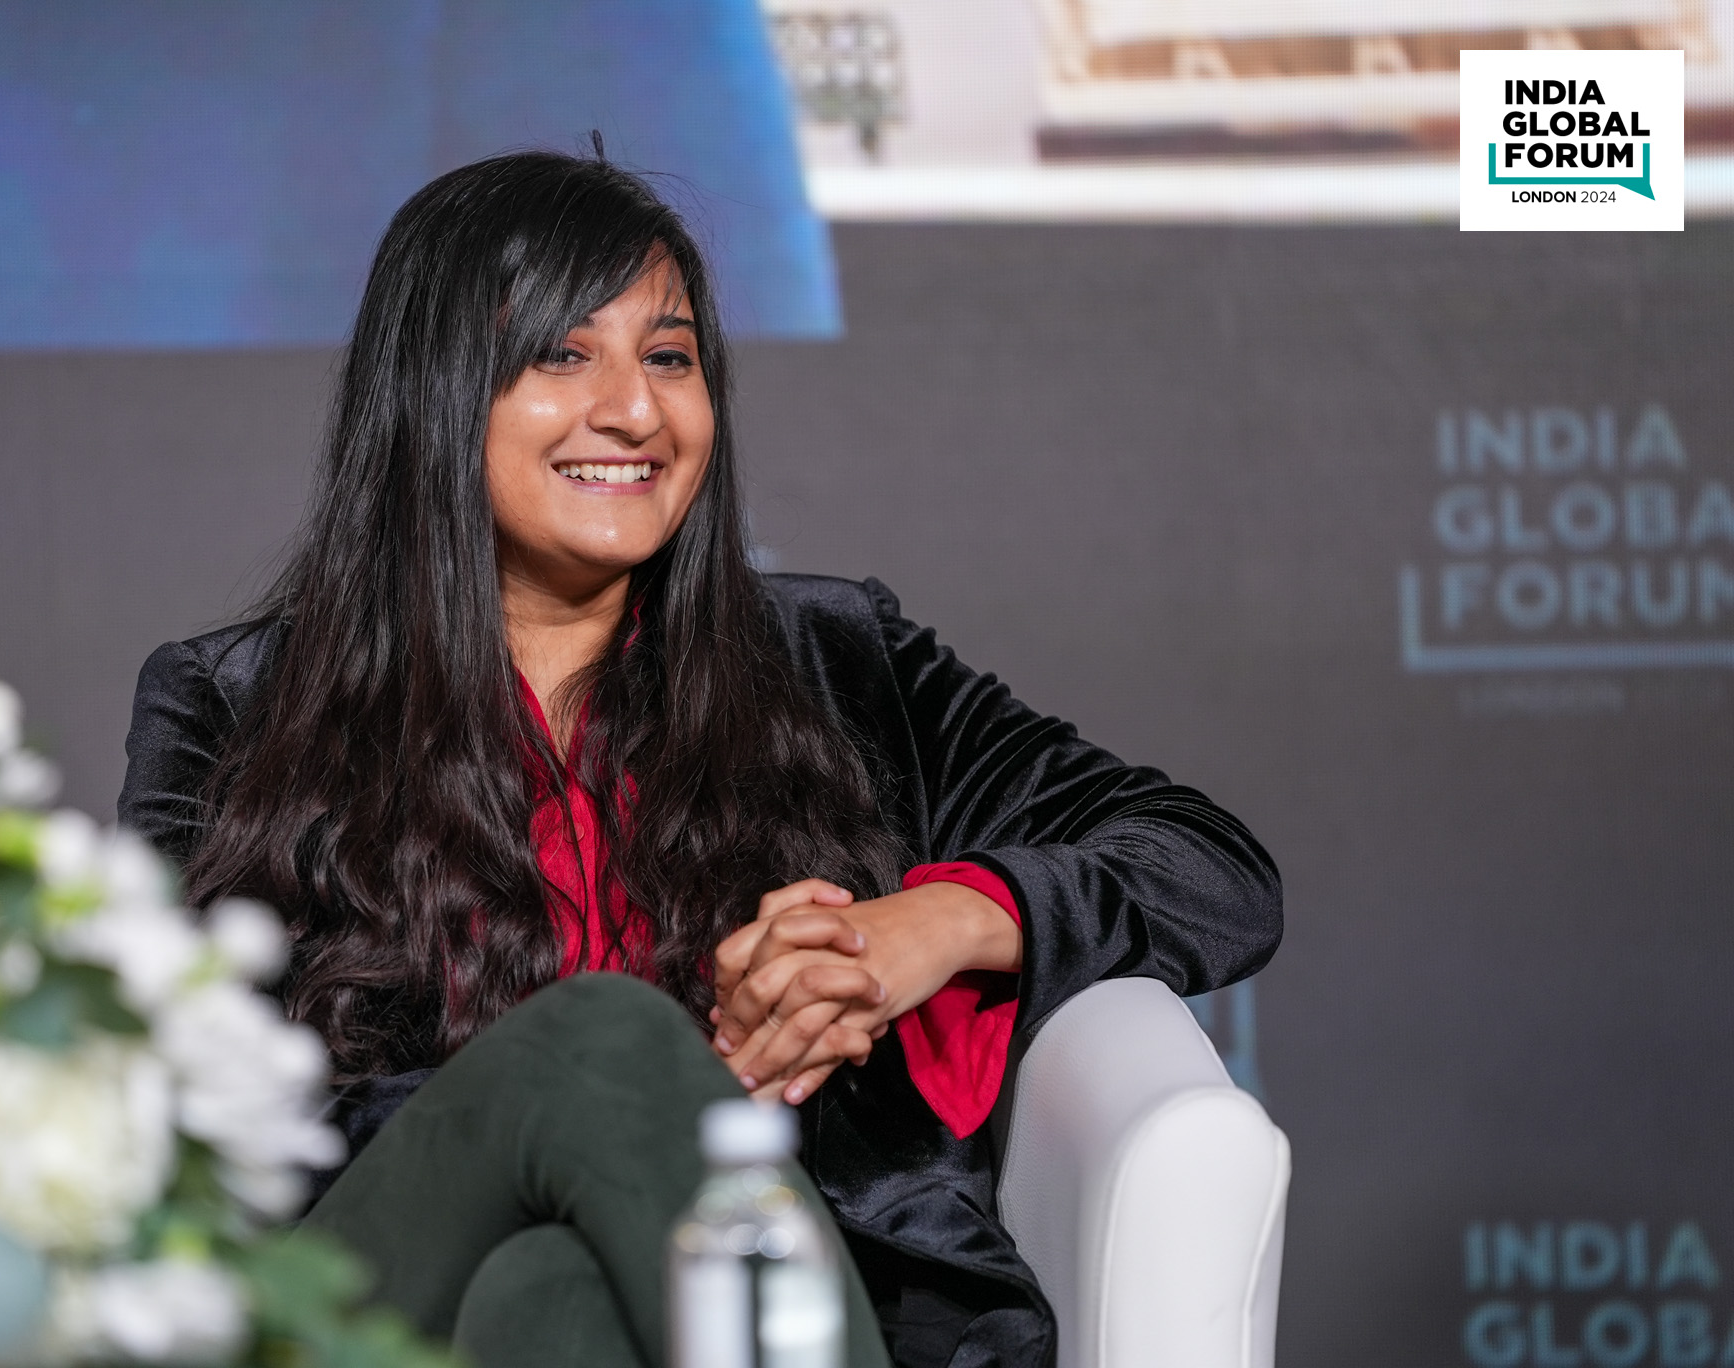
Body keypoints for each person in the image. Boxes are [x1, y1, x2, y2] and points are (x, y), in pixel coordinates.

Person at [117, 149, 1281, 1368]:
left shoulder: (837, 661)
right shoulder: (237, 704)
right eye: (561, 354)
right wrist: (571, 1111)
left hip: (714, 1305)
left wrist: (927, 927)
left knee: (555, 1291)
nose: (635, 411)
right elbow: (176, 1101)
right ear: (435, 390)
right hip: (376, 1306)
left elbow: (1210, 866)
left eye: (668, 358)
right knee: (601, 1049)